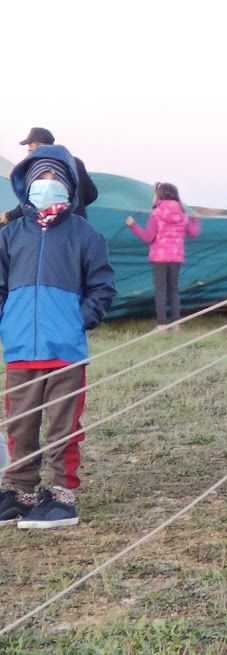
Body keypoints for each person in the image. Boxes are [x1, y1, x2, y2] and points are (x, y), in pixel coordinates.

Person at [0, 145, 116, 529]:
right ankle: (21, 491)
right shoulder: (11, 234)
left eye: (55, 179)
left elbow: (102, 286)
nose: (47, 185)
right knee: (20, 423)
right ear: (28, 185)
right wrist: (7, 321)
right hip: (19, 350)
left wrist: (78, 320)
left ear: (68, 186)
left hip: (65, 350)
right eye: (40, 179)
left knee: (62, 426)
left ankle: (62, 494)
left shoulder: (85, 235)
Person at [126, 183, 202, 330]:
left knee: (160, 290)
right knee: (173, 290)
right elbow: (194, 233)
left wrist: (133, 225)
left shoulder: (156, 214)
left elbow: (148, 237)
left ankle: (161, 325)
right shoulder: (182, 215)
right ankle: (176, 324)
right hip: (176, 257)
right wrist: (196, 220)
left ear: (160, 195)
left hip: (159, 257)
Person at [2, 128, 99, 224]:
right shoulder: (76, 162)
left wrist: (9, 216)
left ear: (41, 146)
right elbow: (92, 194)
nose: (28, 151)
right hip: (79, 223)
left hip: (54, 226)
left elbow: (30, 202)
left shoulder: (37, 167)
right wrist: (75, 205)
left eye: (31, 149)